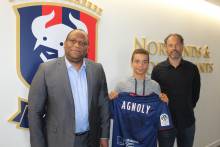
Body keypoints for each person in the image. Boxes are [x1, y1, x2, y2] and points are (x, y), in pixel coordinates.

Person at [28, 29, 110, 147]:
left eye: (82, 43)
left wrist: (104, 135)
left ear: (87, 48)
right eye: (72, 41)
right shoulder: (46, 70)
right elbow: (34, 112)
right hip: (57, 141)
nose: (77, 45)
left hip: (90, 139)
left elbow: (104, 104)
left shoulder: (97, 69)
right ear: (65, 44)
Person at [151, 33, 201, 147]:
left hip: (187, 122)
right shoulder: (157, 70)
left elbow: (195, 94)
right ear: (166, 48)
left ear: (182, 46)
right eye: (170, 45)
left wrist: (186, 106)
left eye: (177, 45)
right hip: (165, 123)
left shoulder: (192, 68)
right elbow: (155, 95)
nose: (174, 48)